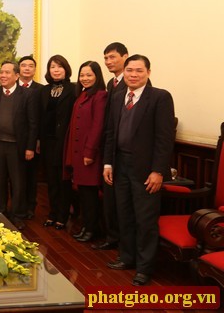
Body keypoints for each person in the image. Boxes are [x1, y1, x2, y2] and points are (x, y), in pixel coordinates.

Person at [103, 54, 175, 286]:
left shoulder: (160, 98)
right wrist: (108, 163)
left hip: (146, 170)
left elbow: (165, 139)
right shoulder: (116, 96)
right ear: (124, 72)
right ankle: (127, 257)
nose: (133, 75)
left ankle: (144, 268)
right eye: (130, 70)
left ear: (148, 73)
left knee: (145, 220)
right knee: (124, 214)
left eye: (139, 71)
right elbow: (111, 133)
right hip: (120, 164)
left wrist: (158, 171)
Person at [0, 61, 38, 230]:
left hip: (17, 146)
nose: (3, 75)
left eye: (7, 73)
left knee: (18, 182)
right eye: (1, 72)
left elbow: (33, 123)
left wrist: (30, 147)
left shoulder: (27, 94)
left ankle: (17, 215)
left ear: (16, 76)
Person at [63, 61, 107, 243]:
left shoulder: (100, 96)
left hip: (89, 154)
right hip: (77, 151)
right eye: (82, 75)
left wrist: (89, 152)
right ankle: (87, 227)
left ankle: (92, 229)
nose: (85, 78)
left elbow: (98, 126)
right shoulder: (81, 95)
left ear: (97, 76)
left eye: (89, 75)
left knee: (90, 194)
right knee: (83, 192)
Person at [93, 42, 128, 250]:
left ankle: (122, 242)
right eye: (106, 58)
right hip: (109, 146)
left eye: (113, 57)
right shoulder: (111, 83)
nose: (108, 62)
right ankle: (112, 236)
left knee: (121, 201)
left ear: (125, 57)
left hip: (124, 149)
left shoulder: (133, 83)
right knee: (110, 197)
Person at [39, 54, 75, 230]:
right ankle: (53, 213)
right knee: (51, 179)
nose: (56, 70)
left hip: (65, 141)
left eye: (59, 66)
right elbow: (40, 117)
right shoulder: (44, 90)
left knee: (63, 180)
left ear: (66, 69)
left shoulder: (74, 89)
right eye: (53, 67)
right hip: (47, 141)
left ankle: (63, 215)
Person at [18, 55, 43, 219]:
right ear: (18, 69)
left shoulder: (41, 90)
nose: (27, 68)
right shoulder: (11, 88)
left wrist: (36, 141)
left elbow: (41, 118)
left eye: (30, 66)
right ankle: (16, 205)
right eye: (23, 65)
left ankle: (29, 207)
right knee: (16, 175)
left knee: (31, 175)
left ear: (35, 69)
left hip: (32, 139)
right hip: (14, 140)